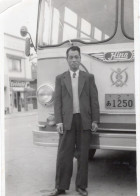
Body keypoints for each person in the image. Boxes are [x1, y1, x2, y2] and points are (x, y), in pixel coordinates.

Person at [49, 46, 100, 196]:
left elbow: (94, 100)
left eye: (76, 57)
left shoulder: (88, 77)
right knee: (64, 154)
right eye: (71, 57)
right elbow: (57, 102)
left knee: (83, 155)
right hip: (67, 121)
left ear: (80, 58)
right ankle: (60, 187)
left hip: (84, 120)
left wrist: (95, 120)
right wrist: (59, 121)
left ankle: (81, 186)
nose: (74, 60)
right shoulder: (60, 78)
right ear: (67, 59)